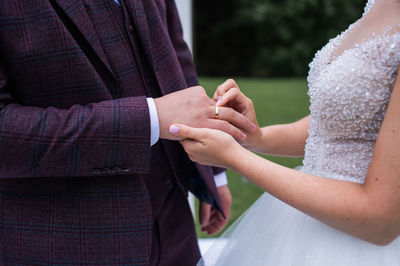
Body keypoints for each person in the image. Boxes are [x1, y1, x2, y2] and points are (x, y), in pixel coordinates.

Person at [0, 0, 257, 265]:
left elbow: (173, 54)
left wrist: (212, 174)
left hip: (175, 226)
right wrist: (150, 117)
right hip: (66, 240)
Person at [170, 0, 400, 265]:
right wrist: (255, 137)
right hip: (303, 228)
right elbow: (344, 128)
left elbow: (380, 220)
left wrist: (235, 158)